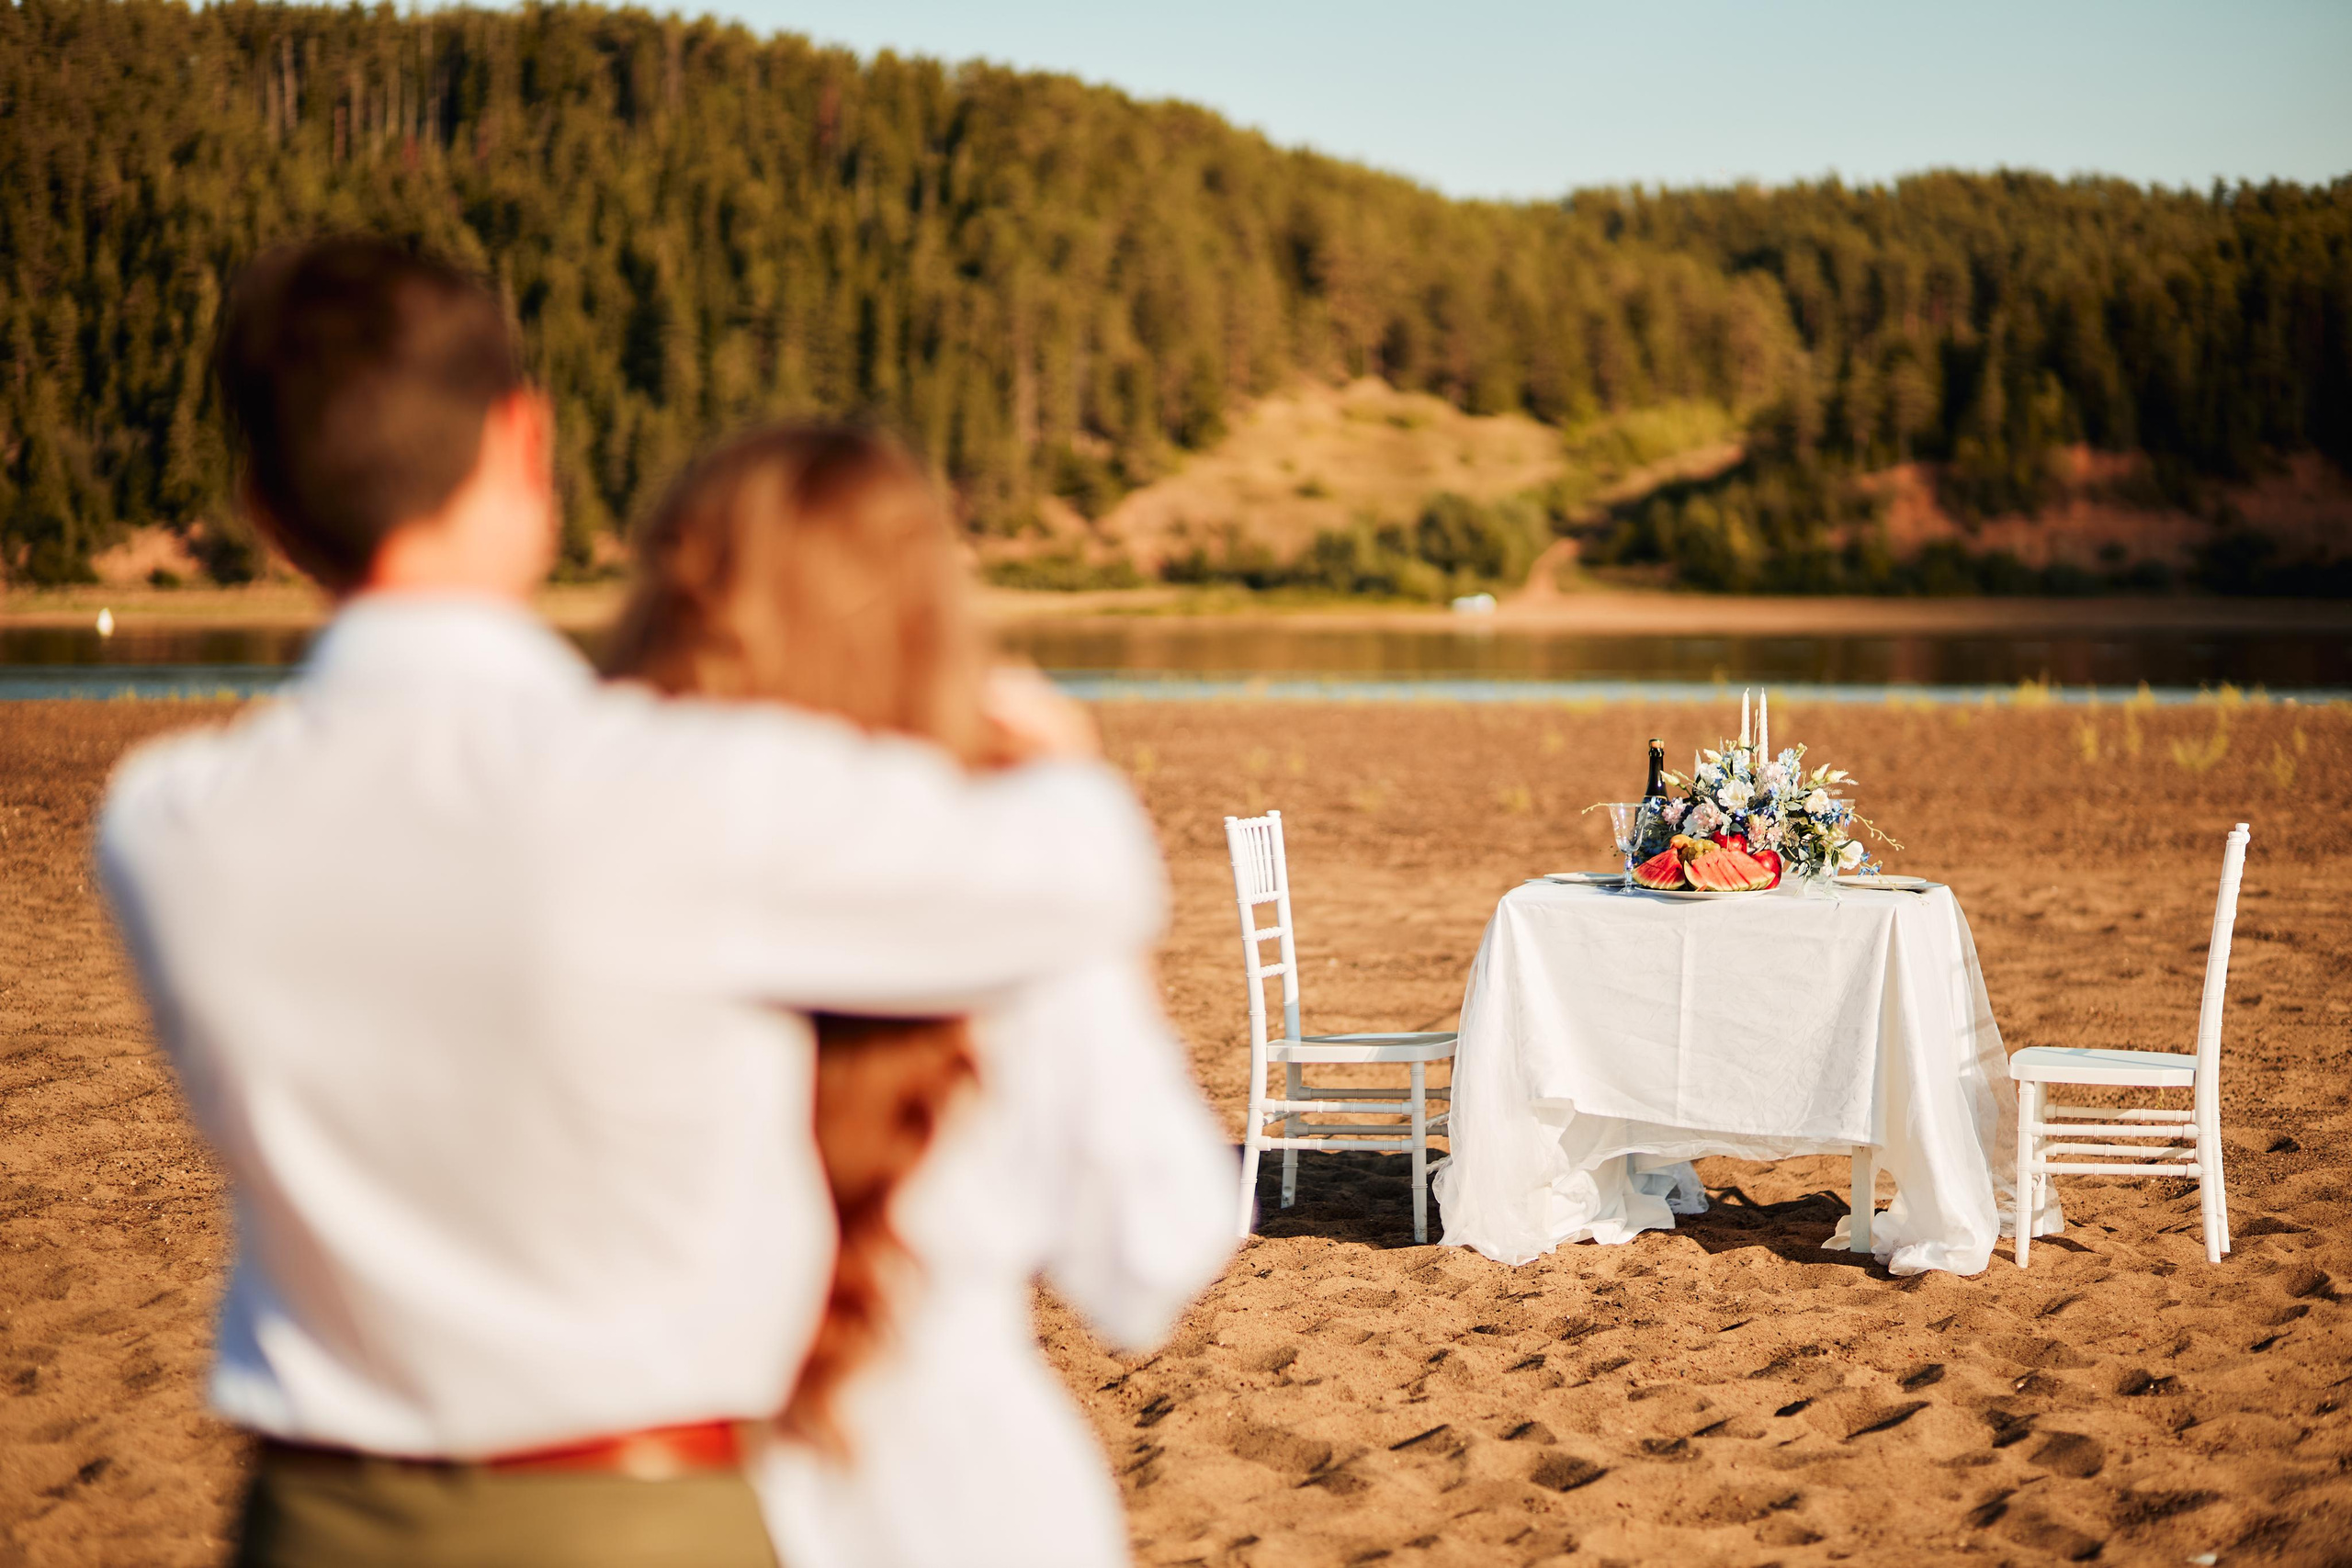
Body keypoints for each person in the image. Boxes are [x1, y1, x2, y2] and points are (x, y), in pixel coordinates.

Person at [95, 238, 1167, 1568]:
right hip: (636, 1510)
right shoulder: (678, 791)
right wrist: (1058, 767)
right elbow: (1083, 874)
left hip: (309, 1517)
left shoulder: (165, 822)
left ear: (260, 503)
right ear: (524, 443)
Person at [605, 426, 1237, 1568]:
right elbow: (1154, 1255)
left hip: (676, 1496)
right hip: (972, 1506)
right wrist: (1085, 863)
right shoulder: (1019, 908)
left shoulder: (587, 899)